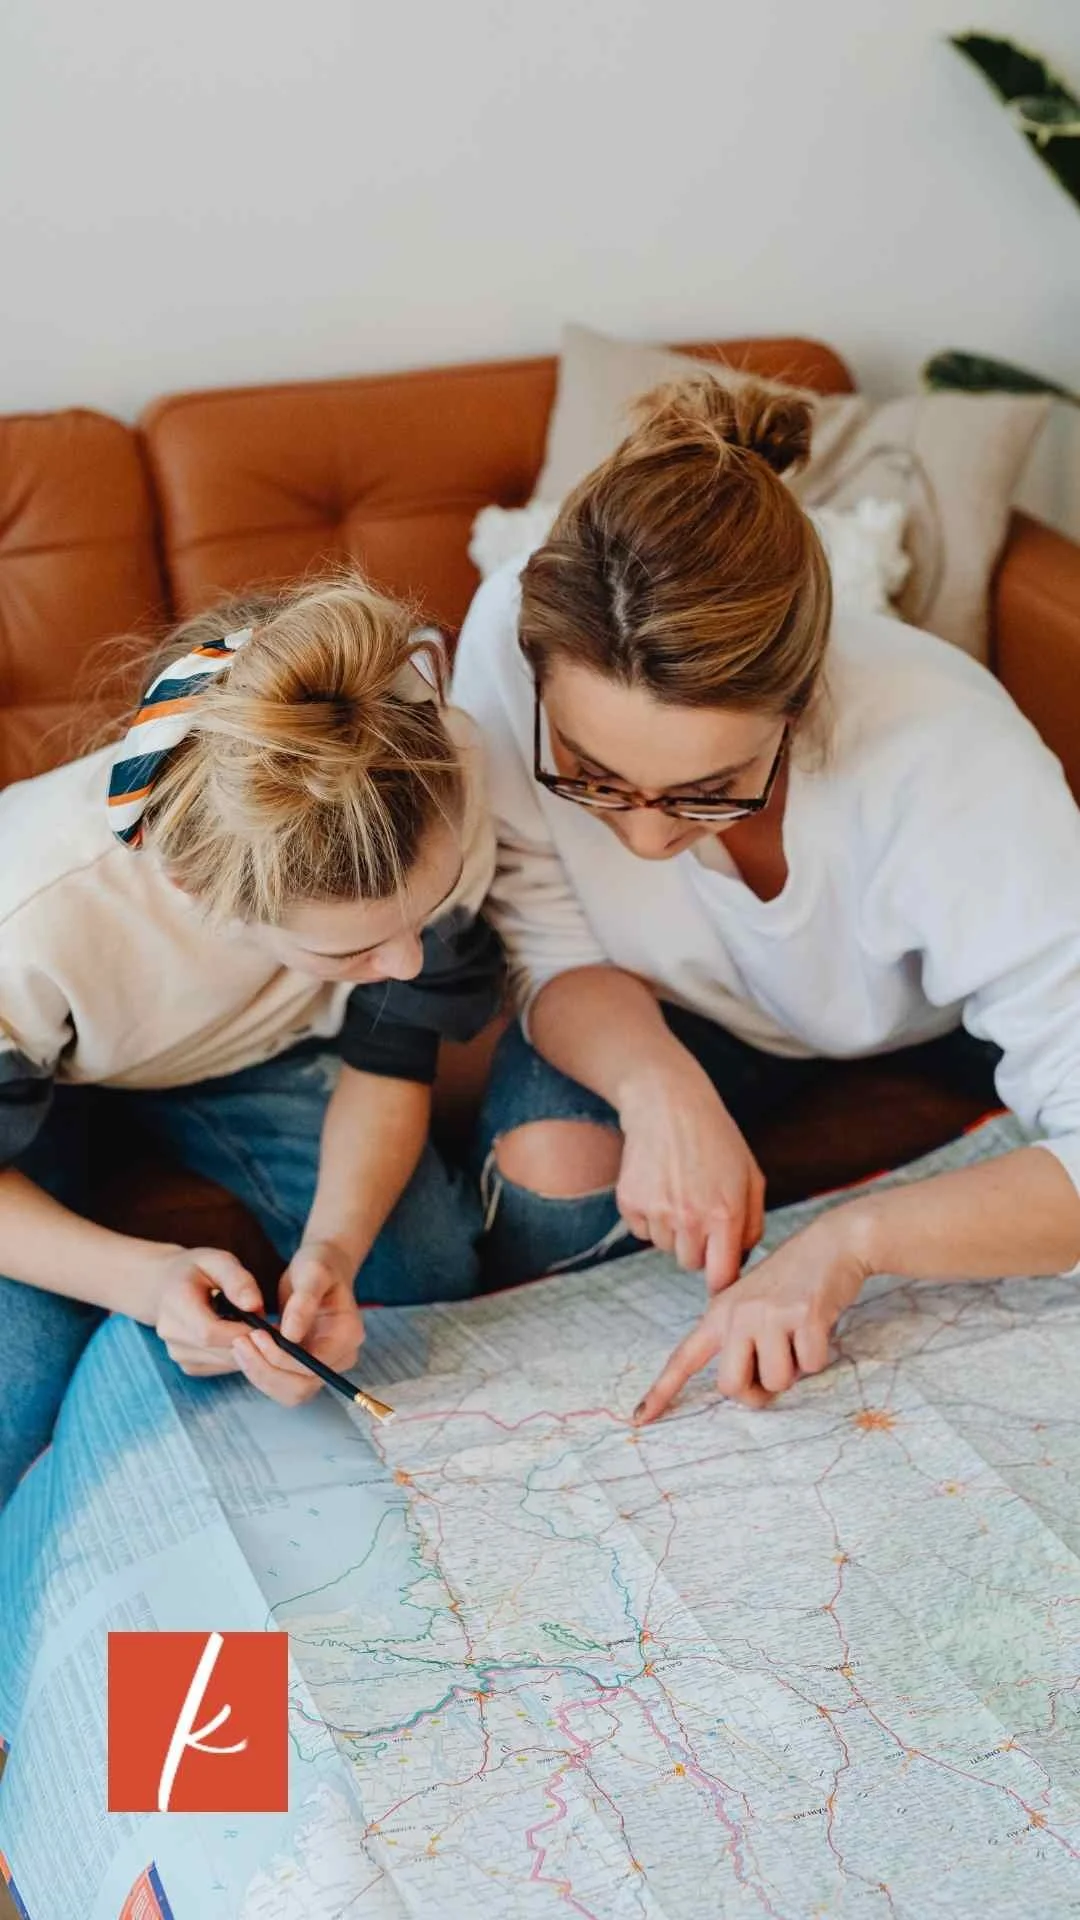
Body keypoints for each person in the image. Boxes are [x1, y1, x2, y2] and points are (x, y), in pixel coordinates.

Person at [452, 374, 1080, 1422]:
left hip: (928, 1024)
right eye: (593, 774)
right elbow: (549, 948)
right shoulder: (509, 646)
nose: (647, 837)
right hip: (674, 1014)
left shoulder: (950, 758)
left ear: (801, 703)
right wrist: (660, 1088)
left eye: (708, 791)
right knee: (549, 1189)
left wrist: (847, 1246)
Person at [0, 576, 503, 1504]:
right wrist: (148, 1281)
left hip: (246, 1054)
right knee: (14, 1382)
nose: (405, 964)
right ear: (197, 892)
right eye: (350, 946)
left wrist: (336, 1251)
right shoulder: (30, 916)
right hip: (32, 1082)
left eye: (420, 918)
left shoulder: (441, 777)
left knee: (422, 1264)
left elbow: (388, 1060)